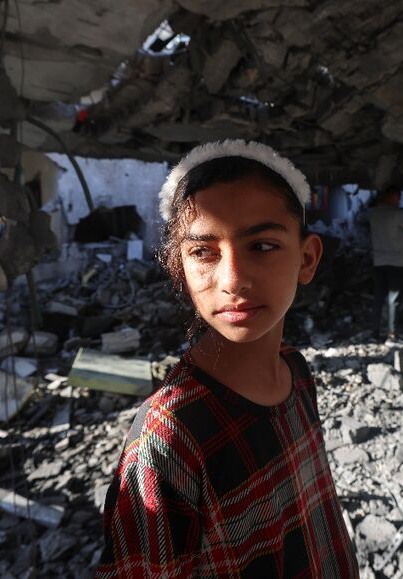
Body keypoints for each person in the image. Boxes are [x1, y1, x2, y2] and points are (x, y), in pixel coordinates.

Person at [95, 140, 358, 578]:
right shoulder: (168, 439)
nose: (232, 280)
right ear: (180, 266)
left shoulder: (295, 371)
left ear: (307, 259)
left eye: (263, 246)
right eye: (203, 252)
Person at [368, 185, 403, 344]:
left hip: (378, 261)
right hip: (395, 262)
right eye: (398, 198)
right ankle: (392, 335)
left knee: (378, 297)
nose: (399, 201)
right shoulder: (397, 214)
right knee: (394, 298)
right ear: (391, 196)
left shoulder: (374, 213)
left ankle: (374, 333)